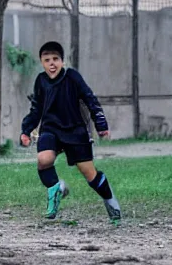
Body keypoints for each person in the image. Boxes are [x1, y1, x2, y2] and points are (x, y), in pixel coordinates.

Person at [20, 41, 121, 224]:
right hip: (50, 130)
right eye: (47, 60)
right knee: (44, 160)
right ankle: (57, 188)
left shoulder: (72, 77)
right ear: (42, 63)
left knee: (90, 175)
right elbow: (36, 109)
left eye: (55, 59)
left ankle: (110, 200)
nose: (52, 64)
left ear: (62, 61)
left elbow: (90, 100)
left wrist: (101, 125)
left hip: (75, 131)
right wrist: (26, 130)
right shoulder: (40, 81)